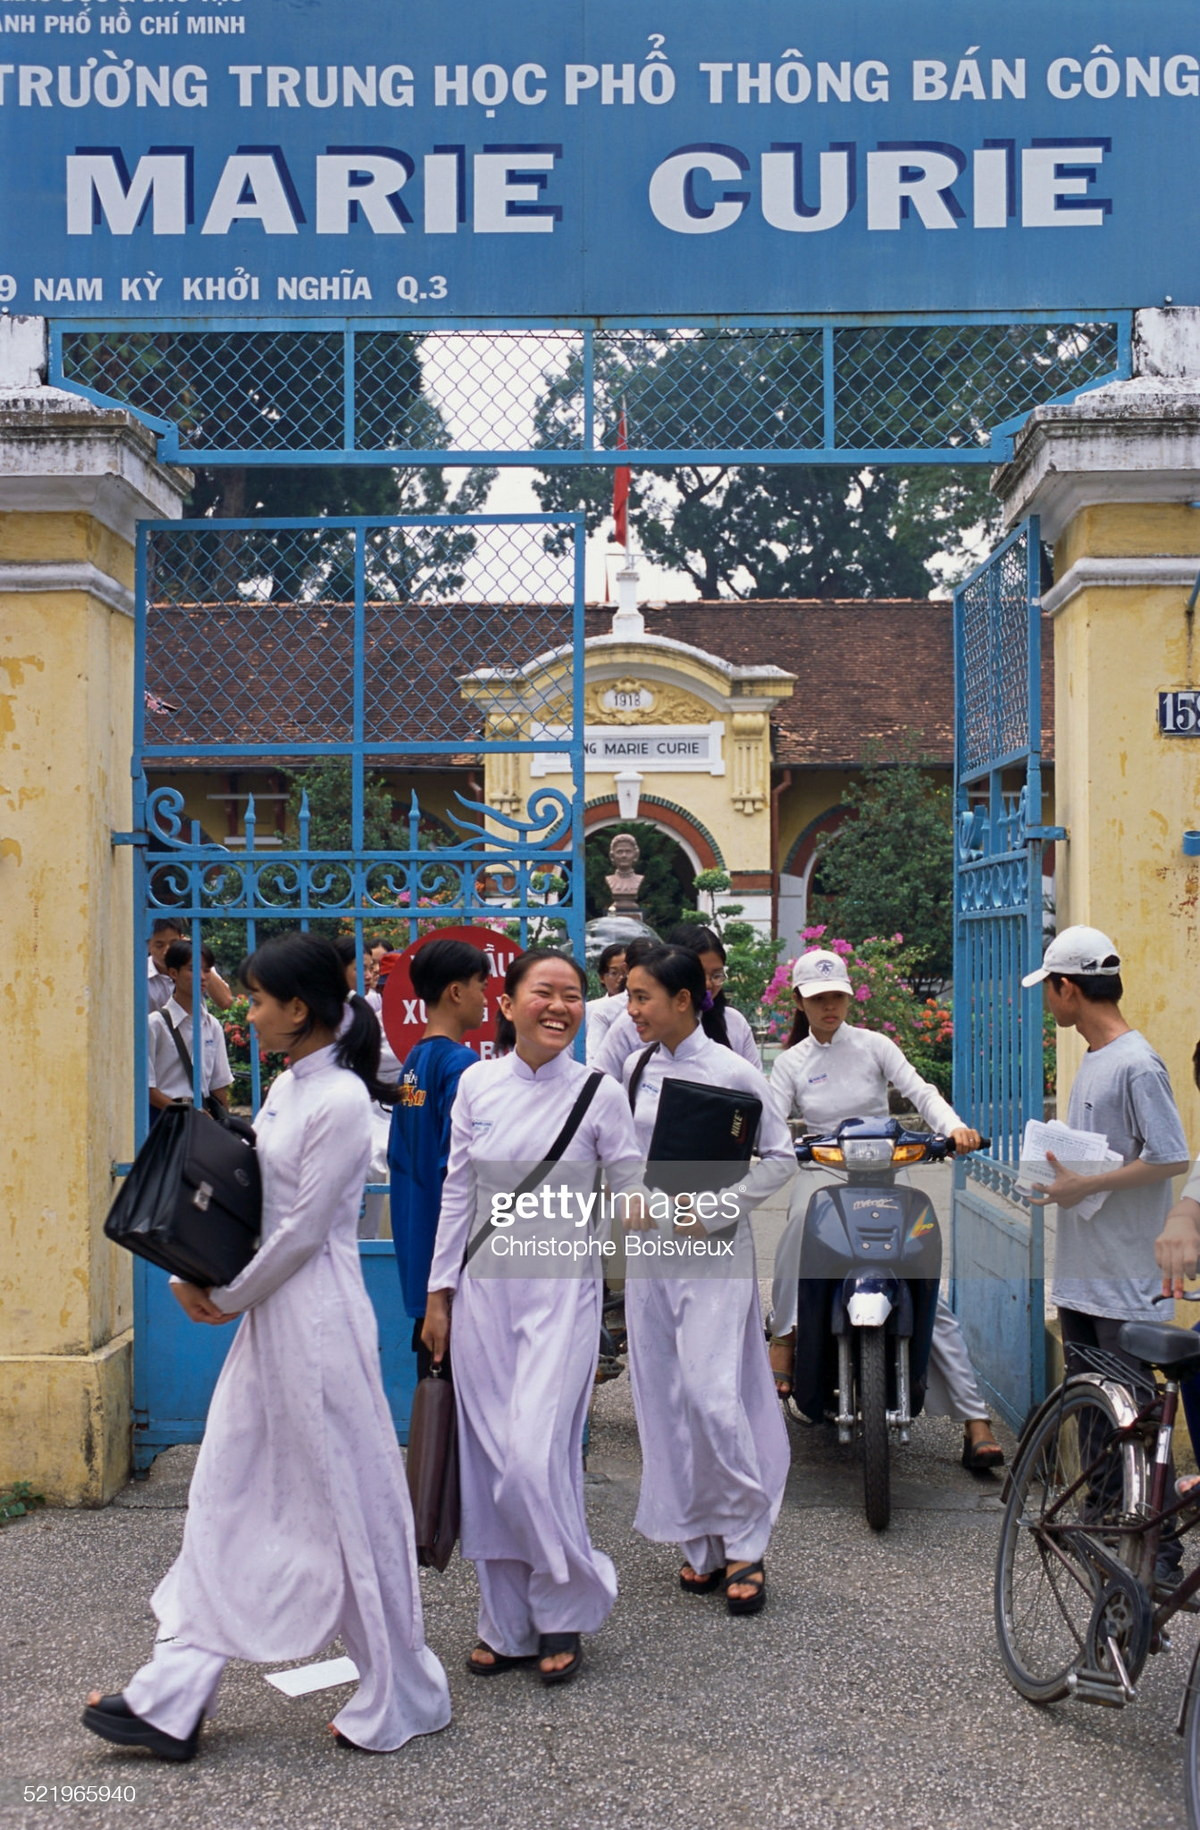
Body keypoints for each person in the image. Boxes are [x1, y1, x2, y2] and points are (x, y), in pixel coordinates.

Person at [84, 933, 451, 1759]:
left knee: (346, 1508)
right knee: (232, 1491)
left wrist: (221, 1296)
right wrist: (202, 1271)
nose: (242, 1011)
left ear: (300, 1008)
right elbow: (258, 1207)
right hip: (272, 1323)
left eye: (255, 1000)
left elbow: (302, 1235)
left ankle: (403, 1691)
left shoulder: (344, 1103)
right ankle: (171, 1697)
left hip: (315, 1326)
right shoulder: (293, 1084)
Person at [422, 950, 643, 1687]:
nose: (559, 1006)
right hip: (483, 1294)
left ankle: (567, 1603)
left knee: (532, 1458)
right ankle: (505, 1624)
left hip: (560, 1295)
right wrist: (438, 1294)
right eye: (543, 993)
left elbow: (630, 1180)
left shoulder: (599, 1092)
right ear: (507, 1004)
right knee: (489, 1467)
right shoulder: (476, 1085)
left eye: (573, 996)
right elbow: (458, 1191)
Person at [767, 949, 1005, 1472]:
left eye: (838, 997)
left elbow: (922, 1091)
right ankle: (784, 1333)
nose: (831, 1007)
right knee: (795, 1231)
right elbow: (769, 1117)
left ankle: (975, 1421)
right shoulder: (791, 1063)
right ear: (800, 1003)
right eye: (819, 999)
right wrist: (769, 1146)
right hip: (822, 1177)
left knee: (927, 1293)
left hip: (883, 1178)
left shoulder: (875, 1046)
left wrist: (954, 1127)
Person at [621, 945, 793, 1614]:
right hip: (650, 1251)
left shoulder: (734, 1073)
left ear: (685, 1000)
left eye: (642, 997)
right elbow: (625, 1157)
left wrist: (720, 1205)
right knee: (664, 1394)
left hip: (715, 1249)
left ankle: (748, 1536)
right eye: (630, 996)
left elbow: (780, 1159)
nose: (631, 1009)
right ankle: (702, 1539)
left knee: (711, 1392)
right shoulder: (635, 1068)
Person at [1025, 927, 1190, 1552]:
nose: (1048, 1002)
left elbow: (1171, 1157)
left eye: (1050, 990)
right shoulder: (1094, 1057)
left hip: (1125, 1281)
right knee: (1098, 1420)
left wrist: (1080, 1184)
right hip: (1082, 1275)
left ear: (1070, 988)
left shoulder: (1137, 1062)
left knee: (1139, 1428)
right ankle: (1103, 1537)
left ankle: (1161, 1555)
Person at [389, 936, 489, 1371]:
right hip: (450, 1257)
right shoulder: (460, 1065)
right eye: (481, 985)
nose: (487, 997)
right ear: (455, 991)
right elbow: (459, 1167)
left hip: (418, 1241)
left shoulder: (414, 1059)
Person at [595, 924, 760, 1078]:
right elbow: (599, 1083)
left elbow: (755, 1090)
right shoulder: (632, 1030)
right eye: (700, 974)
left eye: (716, 975)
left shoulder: (734, 1024)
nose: (708, 984)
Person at [147, 941, 233, 1116]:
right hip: (164, 1119)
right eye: (193, 969)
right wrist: (187, 1115)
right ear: (173, 973)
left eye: (207, 970)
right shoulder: (155, 1024)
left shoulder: (212, 1025)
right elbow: (147, 1088)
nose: (202, 977)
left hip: (202, 1119)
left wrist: (225, 1130)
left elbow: (218, 1087)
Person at [584, 942, 628, 1064]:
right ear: (602, 977)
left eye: (626, 973)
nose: (621, 978)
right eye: (614, 973)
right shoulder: (589, 1009)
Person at [147, 918, 185, 1013]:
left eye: (174, 944)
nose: (167, 951)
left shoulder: (195, 964)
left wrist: (197, 957)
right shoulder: (139, 973)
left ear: (182, 940)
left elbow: (225, 1001)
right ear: (148, 946)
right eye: (159, 946)